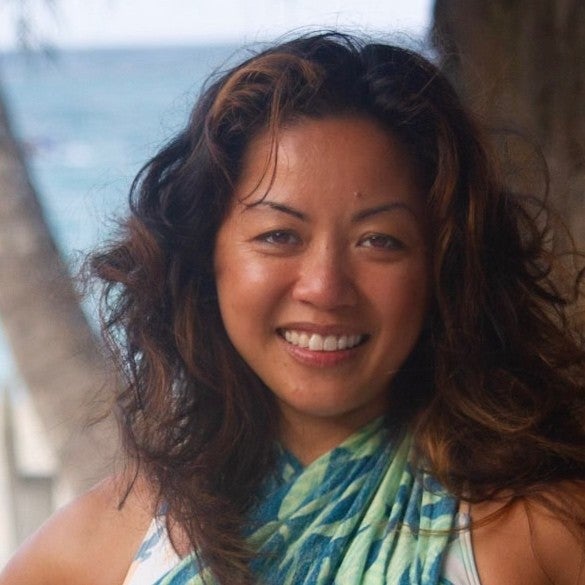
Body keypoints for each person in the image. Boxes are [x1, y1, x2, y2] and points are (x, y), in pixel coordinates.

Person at [1, 32, 584, 585]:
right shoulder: (104, 546)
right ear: (206, 258)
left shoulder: (540, 534)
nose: (325, 288)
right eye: (279, 236)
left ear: (443, 267)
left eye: (379, 241)